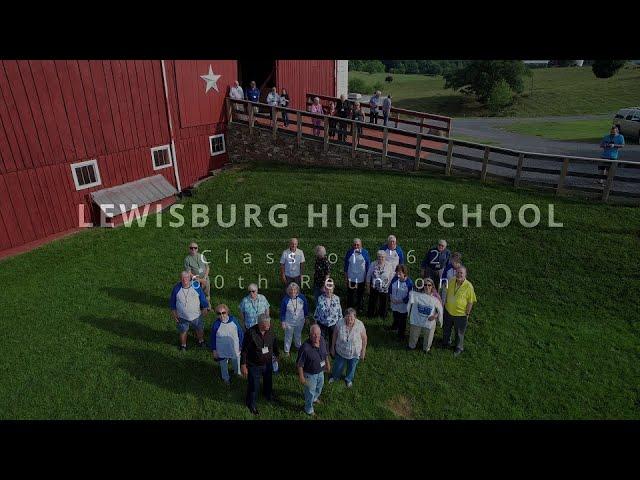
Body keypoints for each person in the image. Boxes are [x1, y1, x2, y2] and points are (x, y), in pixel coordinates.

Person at [241, 313, 280, 415]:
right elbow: (244, 350)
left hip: (268, 363)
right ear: (260, 324)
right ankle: (251, 403)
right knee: (253, 385)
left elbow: (274, 343)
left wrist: (277, 354)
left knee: (268, 381)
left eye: (269, 323)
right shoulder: (250, 333)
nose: (269, 325)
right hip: (254, 365)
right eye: (267, 324)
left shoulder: (270, 331)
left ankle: (268, 395)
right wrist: (243, 365)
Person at [170, 271, 210, 351]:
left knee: (199, 329)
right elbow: (172, 302)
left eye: (187, 278)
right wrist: (174, 313)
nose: (185, 280)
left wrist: (205, 307)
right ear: (180, 279)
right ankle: (183, 345)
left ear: (190, 278)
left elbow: (202, 297)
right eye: (183, 278)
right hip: (182, 317)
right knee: (183, 331)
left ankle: (201, 341)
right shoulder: (176, 288)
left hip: (197, 315)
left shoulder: (196, 286)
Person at [442, 266, 477, 357]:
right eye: (458, 272)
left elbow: (470, 301)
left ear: (465, 275)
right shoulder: (452, 280)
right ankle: (446, 343)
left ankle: (458, 348)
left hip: (460, 314)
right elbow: (447, 292)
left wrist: (467, 313)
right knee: (446, 329)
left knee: (459, 333)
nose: (459, 274)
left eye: (461, 273)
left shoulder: (469, 286)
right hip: (448, 311)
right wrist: (445, 303)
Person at [297, 324, 330, 416]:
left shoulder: (322, 340)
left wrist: (328, 364)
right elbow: (300, 364)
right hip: (310, 374)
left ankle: (315, 398)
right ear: (310, 335)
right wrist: (301, 376)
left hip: (321, 371)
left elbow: (325, 354)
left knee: (320, 386)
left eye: (318, 334)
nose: (316, 337)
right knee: (309, 392)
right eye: (314, 334)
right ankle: (309, 409)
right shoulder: (305, 348)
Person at [330, 308, 367, 387]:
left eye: (351, 317)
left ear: (355, 317)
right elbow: (335, 334)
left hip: (354, 352)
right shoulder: (340, 323)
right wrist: (332, 347)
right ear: (345, 317)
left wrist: (363, 351)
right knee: (338, 366)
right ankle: (335, 377)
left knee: (352, 367)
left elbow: (364, 338)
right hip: (341, 350)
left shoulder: (360, 325)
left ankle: (348, 379)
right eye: (347, 317)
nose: (349, 319)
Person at [210, 304, 244, 385]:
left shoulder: (234, 320)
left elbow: (240, 333)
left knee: (236, 360)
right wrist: (214, 350)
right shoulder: (216, 324)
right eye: (219, 313)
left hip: (234, 346)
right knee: (223, 364)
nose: (221, 315)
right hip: (221, 348)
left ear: (227, 312)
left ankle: (237, 372)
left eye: (223, 313)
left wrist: (241, 344)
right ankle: (226, 378)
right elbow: (213, 338)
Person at [407, 280, 443, 353]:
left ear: (432, 286)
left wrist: (435, 316)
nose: (427, 287)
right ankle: (411, 346)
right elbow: (410, 295)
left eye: (429, 285)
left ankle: (426, 349)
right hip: (417, 318)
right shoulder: (417, 294)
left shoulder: (435, 296)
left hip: (429, 319)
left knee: (429, 335)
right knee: (414, 333)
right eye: (425, 285)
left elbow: (440, 308)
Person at [279, 282, 309, 356]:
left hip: (300, 321)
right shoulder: (285, 300)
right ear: (288, 291)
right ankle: (287, 350)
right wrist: (283, 321)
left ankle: (298, 346)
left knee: (298, 334)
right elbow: (282, 312)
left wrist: (306, 317)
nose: (293, 292)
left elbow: (305, 308)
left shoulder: (302, 298)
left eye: (294, 290)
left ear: (297, 290)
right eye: (291, 290)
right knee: (288, 336)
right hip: (289, 322)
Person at [343, 238, 371, 313]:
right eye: (355, 245)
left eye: (358, 245)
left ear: (361, 245)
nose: (356, 246)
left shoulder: (365, 253)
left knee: (360, 294)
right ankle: (349, 308)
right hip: (351, 277)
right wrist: (345, 277)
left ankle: (360, 307)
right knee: (350, 294)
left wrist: (367, 278)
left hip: (361, 278)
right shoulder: (349, 252)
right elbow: (346, 265)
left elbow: (368, 265)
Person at [388, 264, 414, 339]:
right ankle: (395, 326)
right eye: (397, 273)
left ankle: (401, 334)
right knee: (395, 315)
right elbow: (390, 289)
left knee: (402, 319)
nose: (398, 275)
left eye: (400, 273)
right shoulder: (395, 279)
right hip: (394, 303)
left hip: (403, 305)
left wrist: (400, 301)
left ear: (404, 273)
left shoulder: (409, 283)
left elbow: (409, 296)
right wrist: (391, 298)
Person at [313, 280, 342, 346]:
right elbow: (317, 310)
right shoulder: (320, 298)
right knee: (322, 339)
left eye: (330, 289)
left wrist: (340, 322)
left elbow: (339, 311)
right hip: (322, 323)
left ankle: (332, 349)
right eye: (327, 289)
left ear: (333, 289)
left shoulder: (337, 298)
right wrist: (315, 321)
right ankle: (324, 351)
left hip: (333, 323)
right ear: (324, 289)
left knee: (333, 337)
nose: (328, 291)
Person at [366, 250, 392, 319]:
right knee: (373, 301)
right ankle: (371, 315)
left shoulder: (389, 265)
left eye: (382, 257)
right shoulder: (373, 264)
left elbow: (391, 277)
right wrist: (368, 287)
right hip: (375, 286)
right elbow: (368, 275)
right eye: (379, 257)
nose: (381, 258)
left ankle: (383, 315)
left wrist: (389, 286)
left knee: (384, 302)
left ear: (385, 257)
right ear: (377, 257)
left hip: (385, 287)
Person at [183, 241, 210, 306]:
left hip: (205, 278)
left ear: (197, 249)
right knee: (197, 293)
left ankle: (207, 305)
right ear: (189, 249)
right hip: (194, 279)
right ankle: (198, 306)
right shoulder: (187, 259)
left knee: (207, 292)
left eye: (195, 248)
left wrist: (205, 278)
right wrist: (200, 280)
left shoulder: (202, 256)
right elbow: (189, 273)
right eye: (191, 248)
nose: (193, 249)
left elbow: (207, 267)